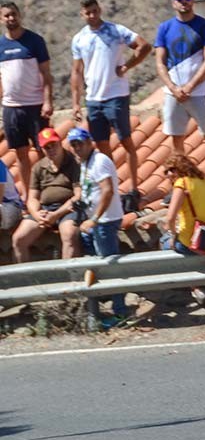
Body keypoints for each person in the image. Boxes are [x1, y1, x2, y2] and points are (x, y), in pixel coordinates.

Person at [71, 0, 151, 213]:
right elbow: (77, 71)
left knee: (126, 142)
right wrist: (76, 103)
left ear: (100, 10)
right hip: (94, 98)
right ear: (82, 14)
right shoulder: (79, 39)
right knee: (102, 147)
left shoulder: (116, 31)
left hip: (116, 94)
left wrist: (127, 66)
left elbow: (144, 46)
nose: (92, 15)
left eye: (95, 11)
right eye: (88, 12)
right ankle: (112, 189)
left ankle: (134, 188)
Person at [154, 0, 205, 199]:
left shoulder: (204, 26)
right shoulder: (165, 28)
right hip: (173, 94)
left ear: (192, 1)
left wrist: (188, 87)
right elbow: (159, 62)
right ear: (173, 2)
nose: (184, 1)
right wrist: (172, 87)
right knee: (176, 139)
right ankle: (180, 183)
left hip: (198, 93)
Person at [68, 126, 128, 328]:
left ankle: (120, 312)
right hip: (97, 221)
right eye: (73, 145)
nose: (76, 148)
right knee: (101, 265)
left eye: (79, 144)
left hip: (105, 221)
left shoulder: (99, 160)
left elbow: (108, 191)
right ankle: (107, 307)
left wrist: (93, 219)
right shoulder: (85, 162)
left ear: (89, 143)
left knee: (109, 267)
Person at [0, 2, 53, 201]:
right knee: (20, 153)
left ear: (20, 15)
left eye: (14, 14)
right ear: (1, 19)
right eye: (6, 16)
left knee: (43, 151)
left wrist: (47, 101)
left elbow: (46, 74)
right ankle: (30, 197)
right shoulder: (0, 45)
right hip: (11, 108)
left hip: (35, 106)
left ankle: (48, 193)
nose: (11, 18)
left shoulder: (35, 41)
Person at [11, 128, 82, 262]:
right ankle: (25, 278)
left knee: (70, 235)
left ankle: (70, 276)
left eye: (53, 145)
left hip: (68, 208)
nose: (51, 150)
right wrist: (37, 214)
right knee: (19, 239)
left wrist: (56, 215)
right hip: (45, 209)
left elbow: (77, 196)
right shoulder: (39, 167)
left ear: (60, 143)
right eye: (46, 147)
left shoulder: (73, 163)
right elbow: (32, 197)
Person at [161, 153, 205, 255]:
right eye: (166, 171)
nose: (168, 174)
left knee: (164, 240)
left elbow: (170, 218)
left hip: (191, 241)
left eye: (172, 169)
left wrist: (173, 235)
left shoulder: (182, 183)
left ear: (181, 168)